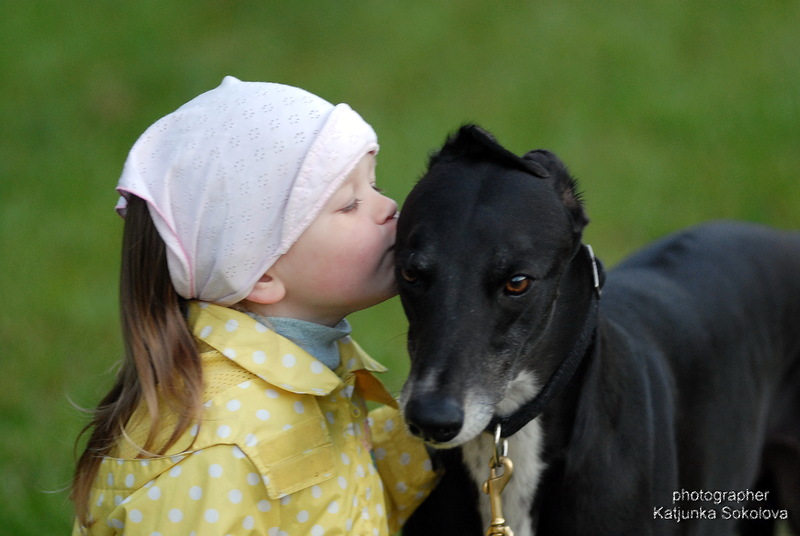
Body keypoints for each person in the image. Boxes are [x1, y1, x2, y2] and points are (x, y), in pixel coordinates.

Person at [71, 76, 437, 535]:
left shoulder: (307, 379)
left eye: (376, 185)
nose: (388, 206)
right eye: (349, 204)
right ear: (260, 272)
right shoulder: (219, 446)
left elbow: (350, 499)